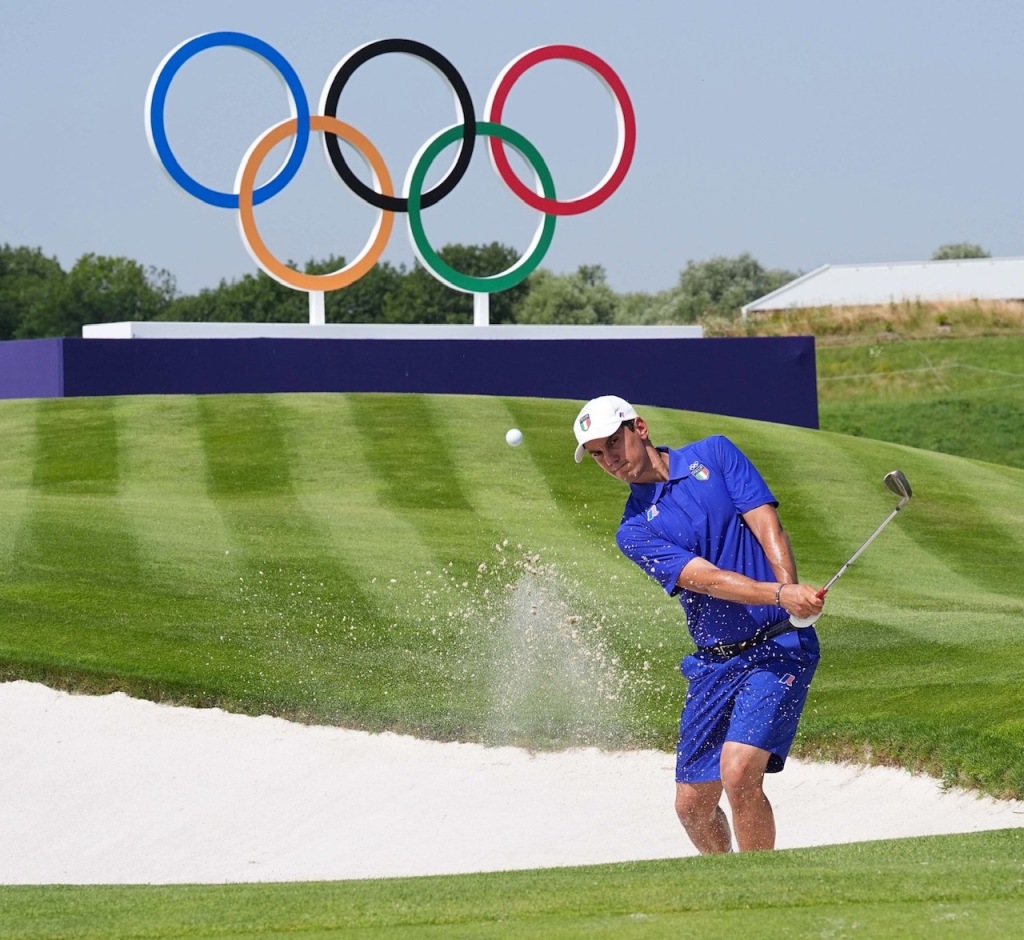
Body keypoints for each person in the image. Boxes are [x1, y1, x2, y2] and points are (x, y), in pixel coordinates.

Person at [572, 394, 825, 854]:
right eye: (596, 455)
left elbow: (767, 521)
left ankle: (760, 895)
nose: (609, 460)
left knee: (737, 772)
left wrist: (789, 593)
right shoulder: (633, 531)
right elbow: (705, 581)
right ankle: (726, 885)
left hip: (778, 647)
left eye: (612, 443)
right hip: (713, 666)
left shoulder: (716, 454)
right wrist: (779, 593)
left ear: (640, 427)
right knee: (691, 807)